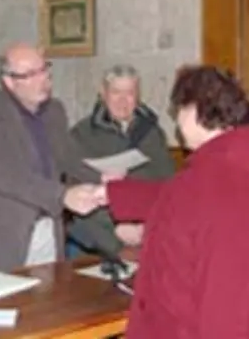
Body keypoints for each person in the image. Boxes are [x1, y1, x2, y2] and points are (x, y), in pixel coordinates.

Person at [98, 65, 249, 338]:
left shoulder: (231, 177)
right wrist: (111, 193)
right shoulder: (230, 160)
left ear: (197, 110)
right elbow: (181, 198)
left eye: (179, 112)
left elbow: (225, 294)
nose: (177, 122)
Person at [0, 43, 108, 274]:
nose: (42, 79)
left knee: (46, 306)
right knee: (2, 307)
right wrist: (63, 195)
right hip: (1, 240)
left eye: (44, 70)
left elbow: (69, 158)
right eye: (29, 75)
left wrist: (103, 179)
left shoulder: (54, 110)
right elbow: (6, 176)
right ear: (9, 82)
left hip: (47, 228)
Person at [67, 64, 175, 257]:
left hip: (148, 238)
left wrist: (146, 227)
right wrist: (116, 230)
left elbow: (168, 187)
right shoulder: (81, 136)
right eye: (116, 92)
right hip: (96, 243)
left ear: (138, 94)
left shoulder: (153, 134)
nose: (123, 101)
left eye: (130, 93)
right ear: (103, 93)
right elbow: (74, 193)